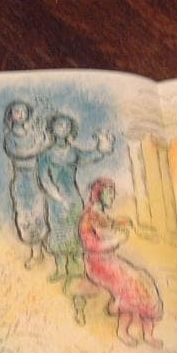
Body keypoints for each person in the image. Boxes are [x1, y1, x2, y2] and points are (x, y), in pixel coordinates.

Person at [80, 178, 163, 347]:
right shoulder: (88, 218)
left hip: (109, 260)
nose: (113, 196)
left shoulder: (100, 214)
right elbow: (91, 245)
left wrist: (123, 223)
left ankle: (148, 335)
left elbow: (109, 223)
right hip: (97, 264)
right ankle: (122, 331)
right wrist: (116, 240)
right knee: (132, 285)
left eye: (113, 193)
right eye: (109, 193)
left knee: (145, 282)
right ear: (99, 195)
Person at [37, 113, 111, 283]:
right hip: (56, 201)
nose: (63, 128)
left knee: (76, 232)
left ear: (71, 130)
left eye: (66, 125)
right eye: (59, 125)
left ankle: (77, 269)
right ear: (52, 128)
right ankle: (60, 270)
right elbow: (44, 178)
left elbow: (90, 157)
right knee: (58, 233)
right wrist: (57, 197)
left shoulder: (73, 152)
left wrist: (102, 146)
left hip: (74, 198)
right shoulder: (46, 155)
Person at [2, 101, 50, 269]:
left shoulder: (34, 133)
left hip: (38, 177)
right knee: (27, 216)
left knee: (41, 212)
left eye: (23, 111)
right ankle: (36, 254)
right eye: (16, 111)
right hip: (23, 180)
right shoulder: (9, 137)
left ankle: (45, 248)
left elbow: (45, 145)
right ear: (10, 115)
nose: (20, 114)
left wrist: (44, 142)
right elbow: (19, 153)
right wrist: (40, 147)